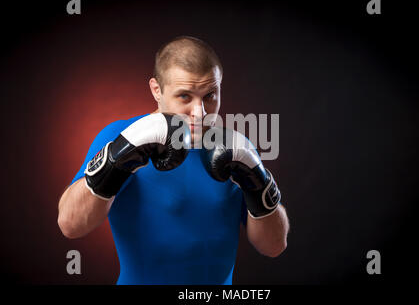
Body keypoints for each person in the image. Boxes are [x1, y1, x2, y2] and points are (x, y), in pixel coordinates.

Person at [57, 36, 290, 285]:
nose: (199, 113)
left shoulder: (236, 149)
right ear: (157, 90)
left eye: (210, 95)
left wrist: (259, 183)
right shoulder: (121, 136)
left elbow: (274, 246)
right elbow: (70, 225)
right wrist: (118, 156)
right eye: (185, 97)